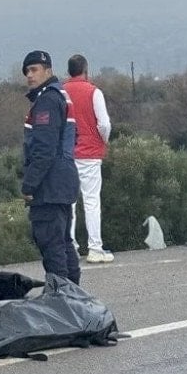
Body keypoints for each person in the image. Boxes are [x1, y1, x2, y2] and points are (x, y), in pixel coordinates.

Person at [21, 50, 82, 284]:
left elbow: (44, 149)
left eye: (34, 69)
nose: (29, 75)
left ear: (48, 71)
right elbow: (73, 136)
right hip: (65, 179)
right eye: (27, 71)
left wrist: (29, 184)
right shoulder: (62, 95)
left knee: (51, 242)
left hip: (50, 184)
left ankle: (60, 294)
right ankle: (74, 293)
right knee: (63, 241)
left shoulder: (46, 100)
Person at [63, 54, 114, 263]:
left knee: (69, 203)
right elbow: (104, 124)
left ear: (69, 71)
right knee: (91, 200)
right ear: (85, 70)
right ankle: (95, 248)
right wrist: (103, 141)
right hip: (90, 153)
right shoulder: (94, 92)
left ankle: (70, 249)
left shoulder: (60, 92)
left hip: (67, 153)